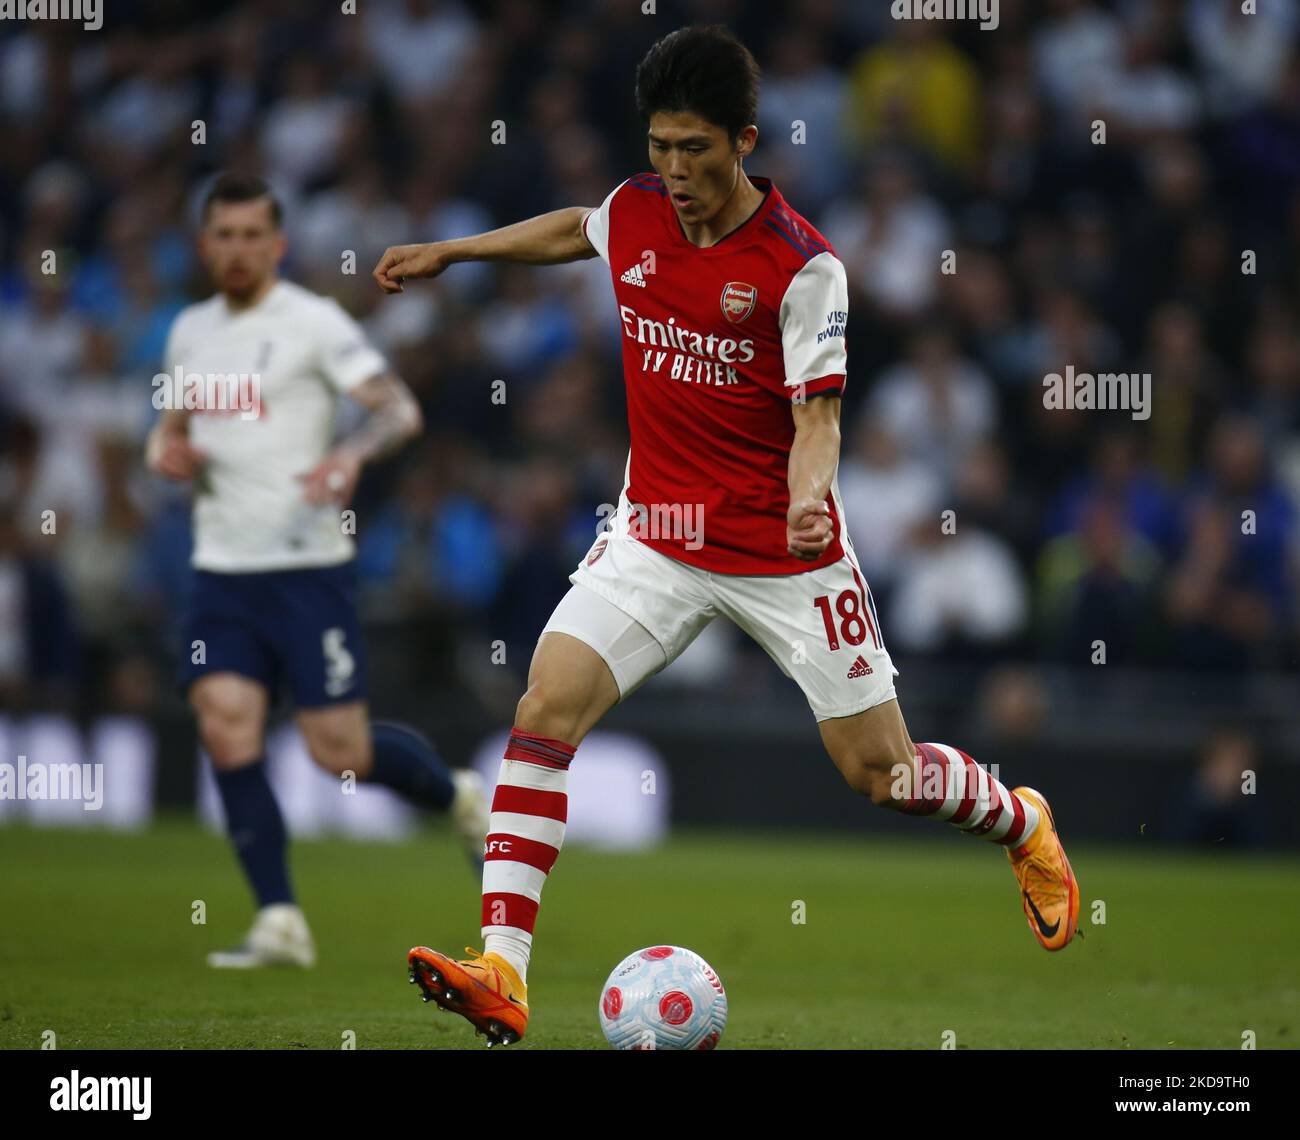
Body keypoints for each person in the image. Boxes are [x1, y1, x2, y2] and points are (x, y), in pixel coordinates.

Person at [373, 25, 1080, 1048]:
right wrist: (455, 251)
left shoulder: (801, 270)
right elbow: (580, 225)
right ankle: (503, 972)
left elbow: (820, 418)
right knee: (544, 703)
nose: (673, 172)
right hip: (657, 532)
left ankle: (1019, 820)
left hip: (783, 553)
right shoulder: (637, 213)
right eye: (659, 147)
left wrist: (808, 496)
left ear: (743, 141)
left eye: (694, 150)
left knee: (880, 775)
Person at [148, 172, 487, 969]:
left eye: (251, 236)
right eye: (222, 236)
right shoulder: (188, 332)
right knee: (226, 724)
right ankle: (279, 920)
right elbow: (165, 433)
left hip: (308, 572)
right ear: (205, 246)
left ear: (278, 244)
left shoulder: (314, 323)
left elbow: (399, 409)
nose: (237, 250)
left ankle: (461, 797)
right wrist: (164, 452)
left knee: (337, 751)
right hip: (222, 570)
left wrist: (348, 455)